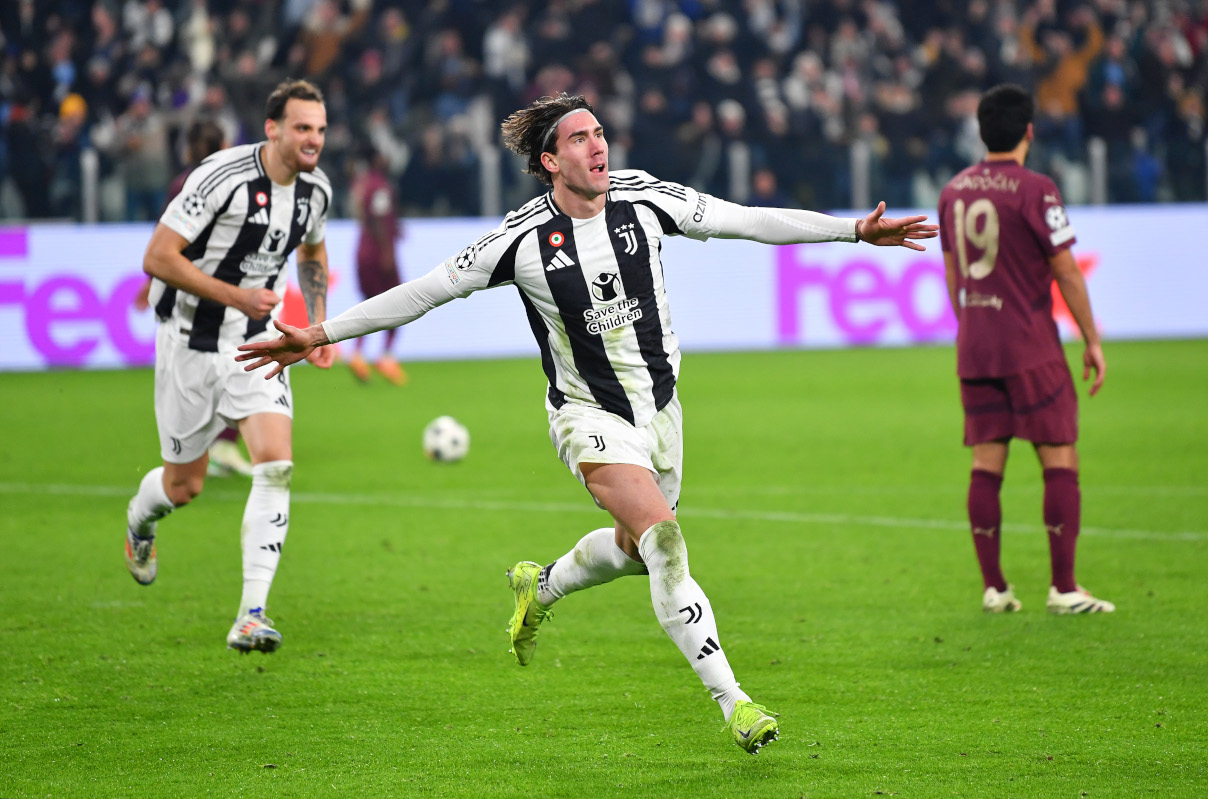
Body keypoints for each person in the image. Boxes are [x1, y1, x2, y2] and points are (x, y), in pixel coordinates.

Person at [236, 93, 937, 748]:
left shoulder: (644, 198)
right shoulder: (520, 240)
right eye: (580, 138)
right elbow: (423, 294)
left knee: (637, 553)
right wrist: (321, 333)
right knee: (663, 540)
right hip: (586, 416)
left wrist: (852, 230)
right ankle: (735, 701)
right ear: (550, 161)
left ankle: (542, 585)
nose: (597, 145)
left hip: (661, 413)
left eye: (599, 132)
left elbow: (745, 219)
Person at [123, 79, 336, 654]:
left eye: (319, 128)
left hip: (257, 344)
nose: (313, 139)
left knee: (276, 465)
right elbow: (157, 257)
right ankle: (140, 525)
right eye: (302, 128)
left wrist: (316, 321)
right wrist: (234, 295)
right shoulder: (221, 176)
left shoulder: (316, 192)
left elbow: (313, 250)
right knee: (182, 486)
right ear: (273, 129)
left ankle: (251, 614)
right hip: (189, 344)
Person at [938, 84, 1114, 616]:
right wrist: (1092, 338)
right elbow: (1065, 269)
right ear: (1029, 132)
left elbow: (952, 274)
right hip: (1032, 346)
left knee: (986, 460)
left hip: (977, 346)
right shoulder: (1037, 189)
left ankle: (995, 587)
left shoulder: (953, 191)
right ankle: (1063, 587)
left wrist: (971, 323)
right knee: (1059, 453)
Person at [132, 118, 255, 479]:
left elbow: (165, 240)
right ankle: (218, 445)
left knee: (210, 371)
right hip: (212, 288)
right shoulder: (231, 183)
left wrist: (149, 283)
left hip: (184, 289)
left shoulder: (180, 184)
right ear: (225, 144)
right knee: (236, 363)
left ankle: (206, 446)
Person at [345, 145, 406, 385]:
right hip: (378, 252)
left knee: (370, 303)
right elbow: (380, 218)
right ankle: (387, 357)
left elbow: (365, 216)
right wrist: (388, 252)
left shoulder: (362, 183)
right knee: (400, 303)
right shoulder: (380, 185)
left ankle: (358, 354)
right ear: (378, 159)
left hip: (362, 249)